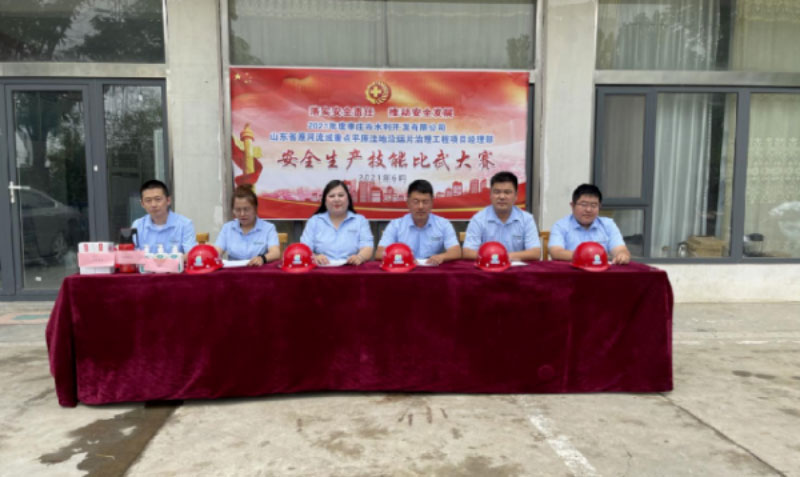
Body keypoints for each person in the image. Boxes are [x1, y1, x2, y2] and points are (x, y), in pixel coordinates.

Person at [376, 180, 461, 265]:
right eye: (416, 202)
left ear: (432, 203)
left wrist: (442, 257)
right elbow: (380, 253)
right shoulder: (396, 225)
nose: (421, 207)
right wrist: (404, 257)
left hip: (432, 270)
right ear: (408, 203)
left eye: (425, 202)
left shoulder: (443, 224)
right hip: (405, 269)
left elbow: (456, 251)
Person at [463, 171, 541, 261]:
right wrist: (496, 258)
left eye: (507, 192)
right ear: (490, 195)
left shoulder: (527, 219)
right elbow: (468, 252)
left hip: (516, 268)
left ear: (516, 195)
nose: (502, 197)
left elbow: (535, 252)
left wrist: (501, 256)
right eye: (497, 192)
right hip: (488, 267)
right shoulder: (478, 219)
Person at [548, 183, 631, 265]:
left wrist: (622, 255)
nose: (588, 209)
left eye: (594, 205)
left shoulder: (608, 224)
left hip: (600, 271)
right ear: (572, 205)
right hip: (572, 271)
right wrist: (589, 255)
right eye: (583, 204)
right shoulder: (561, 226)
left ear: (599, 207)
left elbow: (620, 249)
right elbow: (556, 252)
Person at [300, 180, 373, 265]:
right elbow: (304, 249)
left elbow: (367, 247)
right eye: (332, 196)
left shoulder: (360, 221)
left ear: (348, 199)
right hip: (322, 268)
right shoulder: (314, 221)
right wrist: (314, 257)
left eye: (341, 195)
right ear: (325, 201)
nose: (336, 199)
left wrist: (359, 257)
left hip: (351, 267)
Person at [214, 185, 280, 266]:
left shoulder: (268, 228)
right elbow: (216, 252)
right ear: (233, 210)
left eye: (246, 209)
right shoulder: (227, 228)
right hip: (234, 271)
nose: (242, 214)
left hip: (258, 270)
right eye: (238, 210)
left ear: (255, 209)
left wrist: (262, 258)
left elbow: (276, 253)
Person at [132, 179, 197, 253]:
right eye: (148, 200)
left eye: (158, 199)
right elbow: (132, 254)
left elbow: (191, 254)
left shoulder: (185, 224)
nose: (153, 205)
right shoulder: (137, 225)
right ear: (142, 204)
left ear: (168, 200)